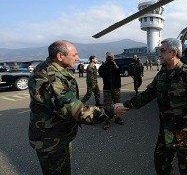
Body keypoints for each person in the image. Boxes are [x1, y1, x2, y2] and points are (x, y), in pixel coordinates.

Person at [28, 40, 127, 175]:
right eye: (74, 54)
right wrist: (110, 111)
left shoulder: (52, 69)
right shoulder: (49, 78)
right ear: (60, 56)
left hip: (58, 135)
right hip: (51, 140)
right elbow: (74, 110)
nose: (78, 58)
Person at [120, 38, 187, 175]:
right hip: (166, 133)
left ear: (173, 52)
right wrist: (126, 105)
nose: (159, 55)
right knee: (161, 165)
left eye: (162, 51)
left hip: (185, 136)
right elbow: (148, 94)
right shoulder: (162, 74)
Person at [98, 53, 125, 130]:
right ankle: (107, 120)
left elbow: (122, 71)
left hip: (116, 87)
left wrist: (116, 66)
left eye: (111, 57)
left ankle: (118, 118)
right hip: (107, 88)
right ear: (106, 57)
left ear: (113, 57)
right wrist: (105, 66)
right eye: (108, 57)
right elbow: (101, 74)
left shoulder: (116, 64)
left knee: (118, 103)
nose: (110, 59)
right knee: (107, 105)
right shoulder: (103, 66)